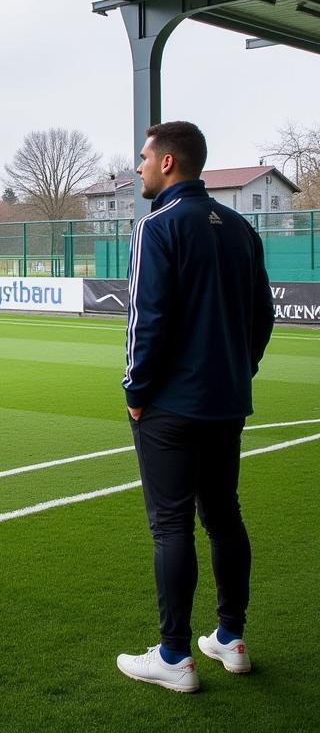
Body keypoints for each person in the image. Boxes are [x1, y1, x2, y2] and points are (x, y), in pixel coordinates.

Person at [116, 121, 274, 694]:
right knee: (224, 515)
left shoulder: (156, 227)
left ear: (166, 163)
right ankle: (230, 638)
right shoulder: (239, 227)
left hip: (171, 405)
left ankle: (174, 656)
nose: (136, 168)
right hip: (225, 401)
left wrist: (136, 392)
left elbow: (147, 319)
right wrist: (239, 370)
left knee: (171, 524)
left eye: (141, 158)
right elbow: (263, 316)